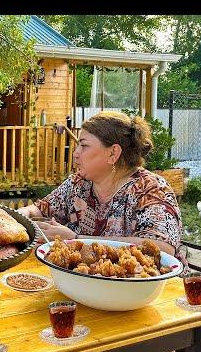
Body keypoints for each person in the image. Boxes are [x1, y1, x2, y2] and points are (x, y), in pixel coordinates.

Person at [18, 111, 184, 259]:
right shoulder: (79, 184)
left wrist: (76, 240)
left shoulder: (150, 189)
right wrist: (8, 218)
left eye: (84, 145)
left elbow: (163, 248)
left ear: (113, 153)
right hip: (87, 285)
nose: (75, 153)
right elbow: (38, 210)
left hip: (150, 290)